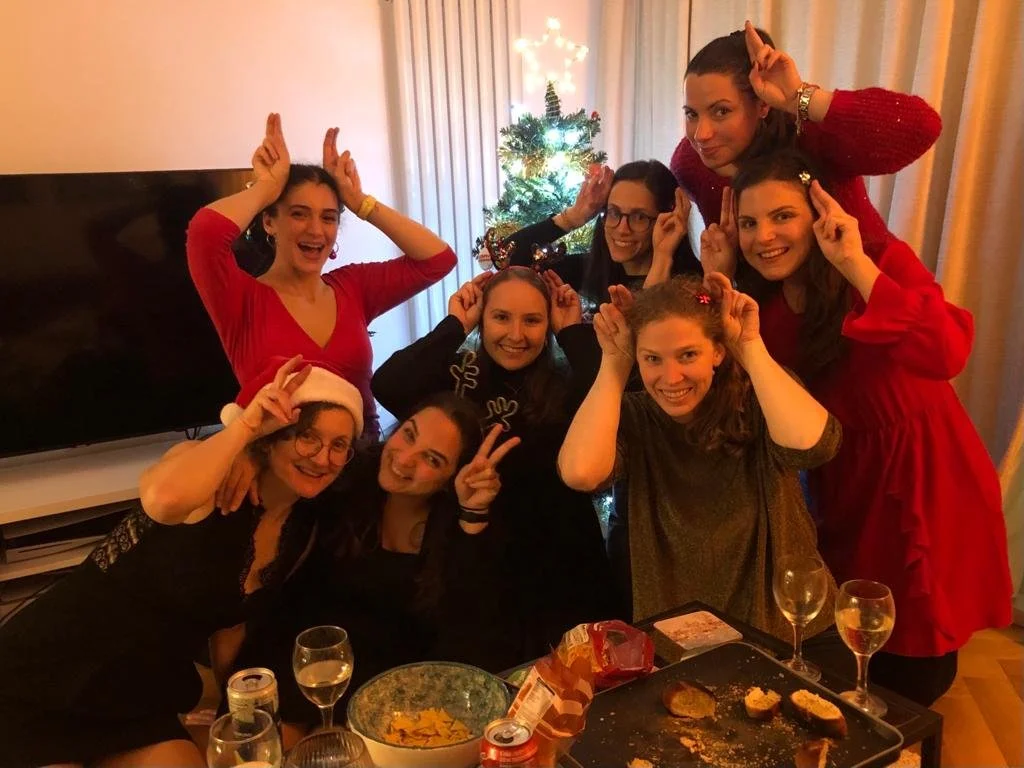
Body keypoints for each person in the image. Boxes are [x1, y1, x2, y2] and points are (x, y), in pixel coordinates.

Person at [727, 148, 1013, 704]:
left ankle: (909, 742)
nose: (763, 236)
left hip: (923, 472)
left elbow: (948, 351)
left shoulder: (878, 258)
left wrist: (855, 262)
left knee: (918, 653)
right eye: (748, 222)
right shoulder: (770, 302)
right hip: (843, 476)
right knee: (854, 642)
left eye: (782, 215)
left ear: (818, 213)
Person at [0, 356, 363, 767]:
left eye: (339, 446)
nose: (321, 457)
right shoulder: (210, 472)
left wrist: (235, 712)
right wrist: (244, 431)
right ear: (273, 435)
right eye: (306, 437)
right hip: (56, 664)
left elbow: (233, 622)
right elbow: (163, 500)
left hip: (137, 689)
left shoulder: (303, 529)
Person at [557, 274, 840, 642]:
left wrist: (750, 348)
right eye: (652, 359)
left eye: (688, 354)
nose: (670, 377)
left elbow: (812, 446)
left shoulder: (757, 398)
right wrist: (614, 365)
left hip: (789, 629)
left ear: (718, 352)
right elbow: (580, 473)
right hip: (683, 637)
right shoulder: (634, 415)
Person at [232, 394, 523, 747]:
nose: (405, 459)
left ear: (452, 478)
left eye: (433, 459)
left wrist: (473, 517)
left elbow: (470, 637)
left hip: (389, 700)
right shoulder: (348, 480)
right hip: (307, 667)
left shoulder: (459, 531)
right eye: (409, 435)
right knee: (265, 753)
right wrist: (250, 456)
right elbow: (290, 474)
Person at [372, 267, 619, 638]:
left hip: (562, 563)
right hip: (474, 558)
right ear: (482, 318)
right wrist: (455, 324)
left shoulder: (566, 384)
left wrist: (571, 331)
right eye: (501, 317)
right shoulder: (456, 378)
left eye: (532, 320)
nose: (516, 335)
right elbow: (388, 384)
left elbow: (615, 399)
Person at [187, 113, 456, 440]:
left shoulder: (353, 288)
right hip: (282, 478)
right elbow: (205, 233)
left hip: (361, 468)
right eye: (299, 214)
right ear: (270, 222)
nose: (316, 230)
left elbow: (438, 259)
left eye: (328, 217)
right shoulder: (241, 298)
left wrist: (360, 202)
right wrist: (268, 187)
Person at [671, 21, 942, 273]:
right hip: (773, 317)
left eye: (721, 111)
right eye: (691, 114)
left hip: (868, 298)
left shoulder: (811, 137)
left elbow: (923, 127)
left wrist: (799, 96)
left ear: (763, 105)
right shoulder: (691, 164)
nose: (701, 135)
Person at [498, 160, 700, 306]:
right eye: (613, 213)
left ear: (666, 220)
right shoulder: (585, 270)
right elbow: (507, 259)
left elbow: (646, 340)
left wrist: (662, 258)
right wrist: (573, 217)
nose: (622, 228)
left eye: (639, 217)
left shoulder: (690, 285)